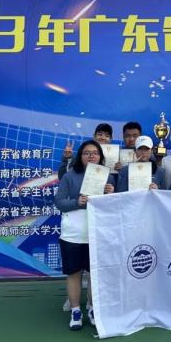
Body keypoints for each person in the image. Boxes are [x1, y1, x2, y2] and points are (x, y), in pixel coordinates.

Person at [54, 139, 115, 331]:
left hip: (97, 233)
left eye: (95, 153)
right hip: (73, 234)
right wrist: (77, 202)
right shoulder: (70, 176)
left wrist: (111, 193)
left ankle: (92, 309)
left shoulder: (107, 177)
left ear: (100, 156)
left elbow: (115, 207)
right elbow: (59, 202)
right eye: (87, 153)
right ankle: (75, 311)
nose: (91, 156)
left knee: (94, 274)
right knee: (74, 274)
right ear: (80, 156)